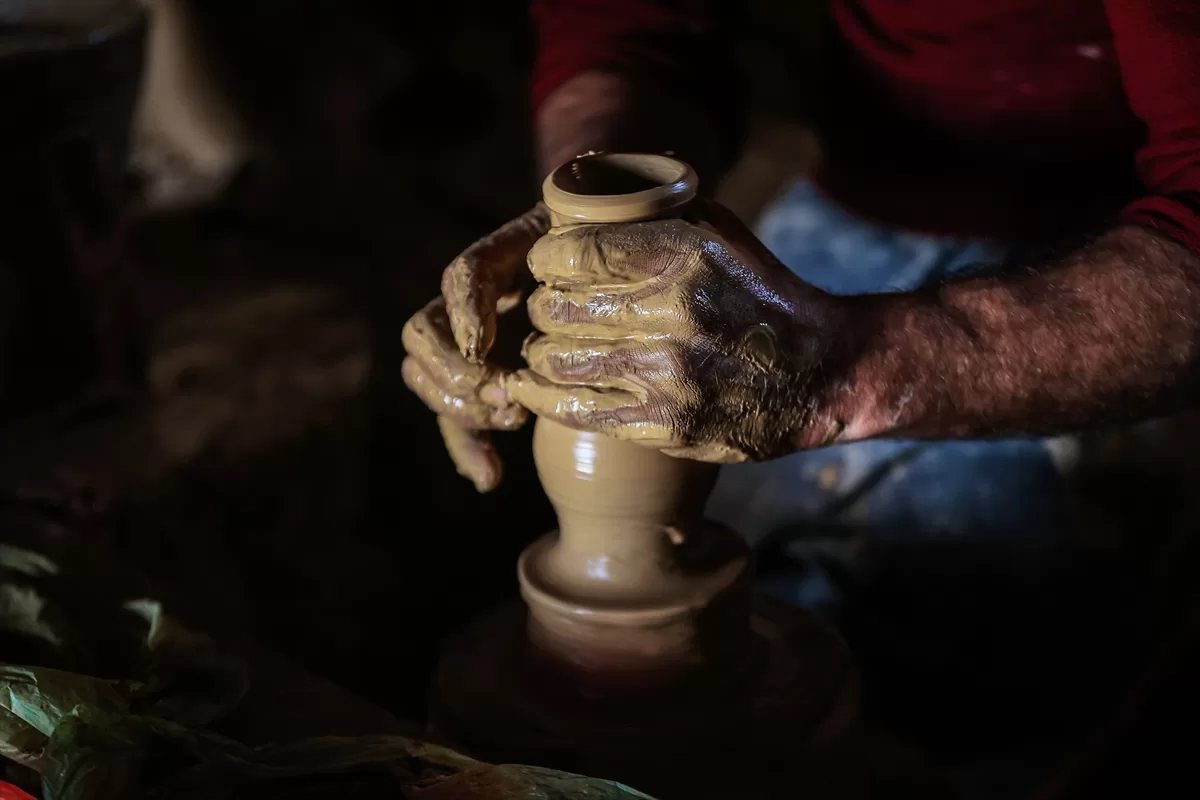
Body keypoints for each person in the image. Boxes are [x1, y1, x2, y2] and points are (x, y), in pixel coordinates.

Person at [401, 1, 1200, 793]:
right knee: (744, 545)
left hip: (1127, 232)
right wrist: (582, 250)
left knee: (993, 667)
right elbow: (629, 24)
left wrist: (855, 376)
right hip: (872, 178)